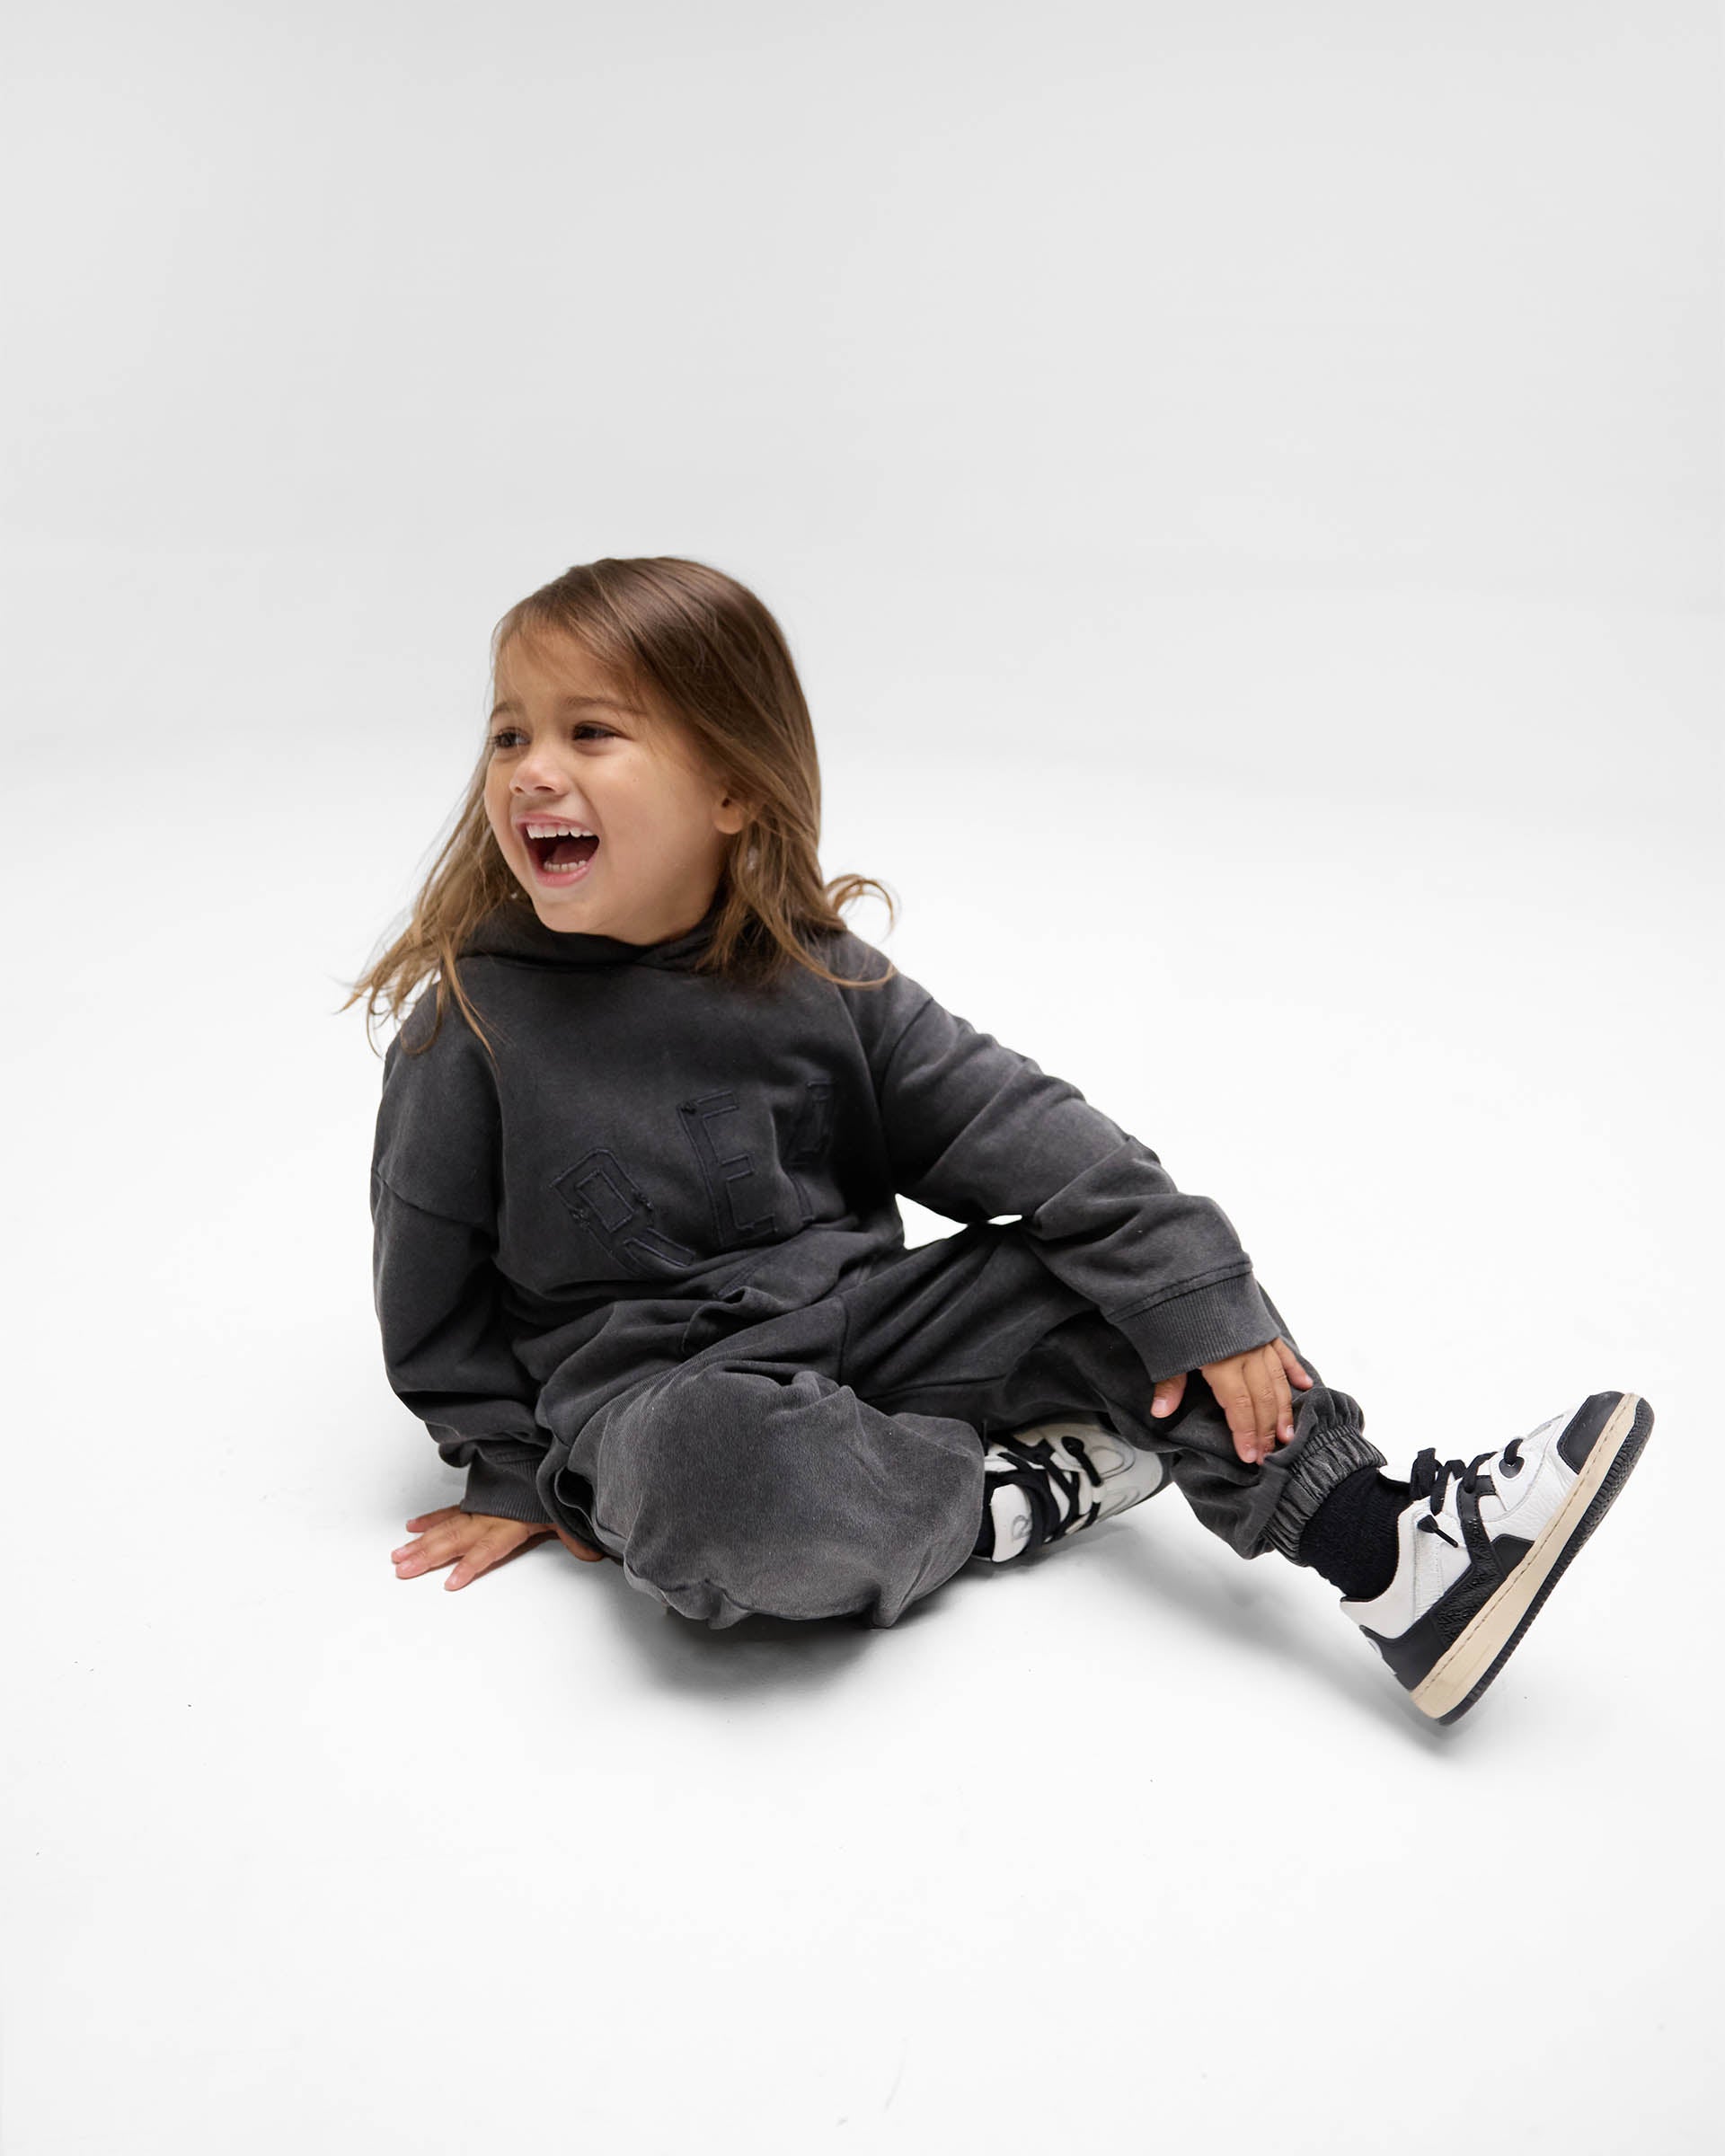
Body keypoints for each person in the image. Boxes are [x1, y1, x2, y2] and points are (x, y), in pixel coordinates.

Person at [345, 555, 1654, 1726]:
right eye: (509, 732)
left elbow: (1023, 1132)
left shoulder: (821, 979)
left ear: (732, 787)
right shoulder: (471, 1022)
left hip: (869, 1334)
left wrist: (1197, 1292)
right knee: (717, 1479)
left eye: (589, 731)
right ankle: (1002, 1501)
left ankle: (1391, 1553)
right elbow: (429, 1282)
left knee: (1120, 1278)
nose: (530, 769)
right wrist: (510, 1466)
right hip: (652, 1402)